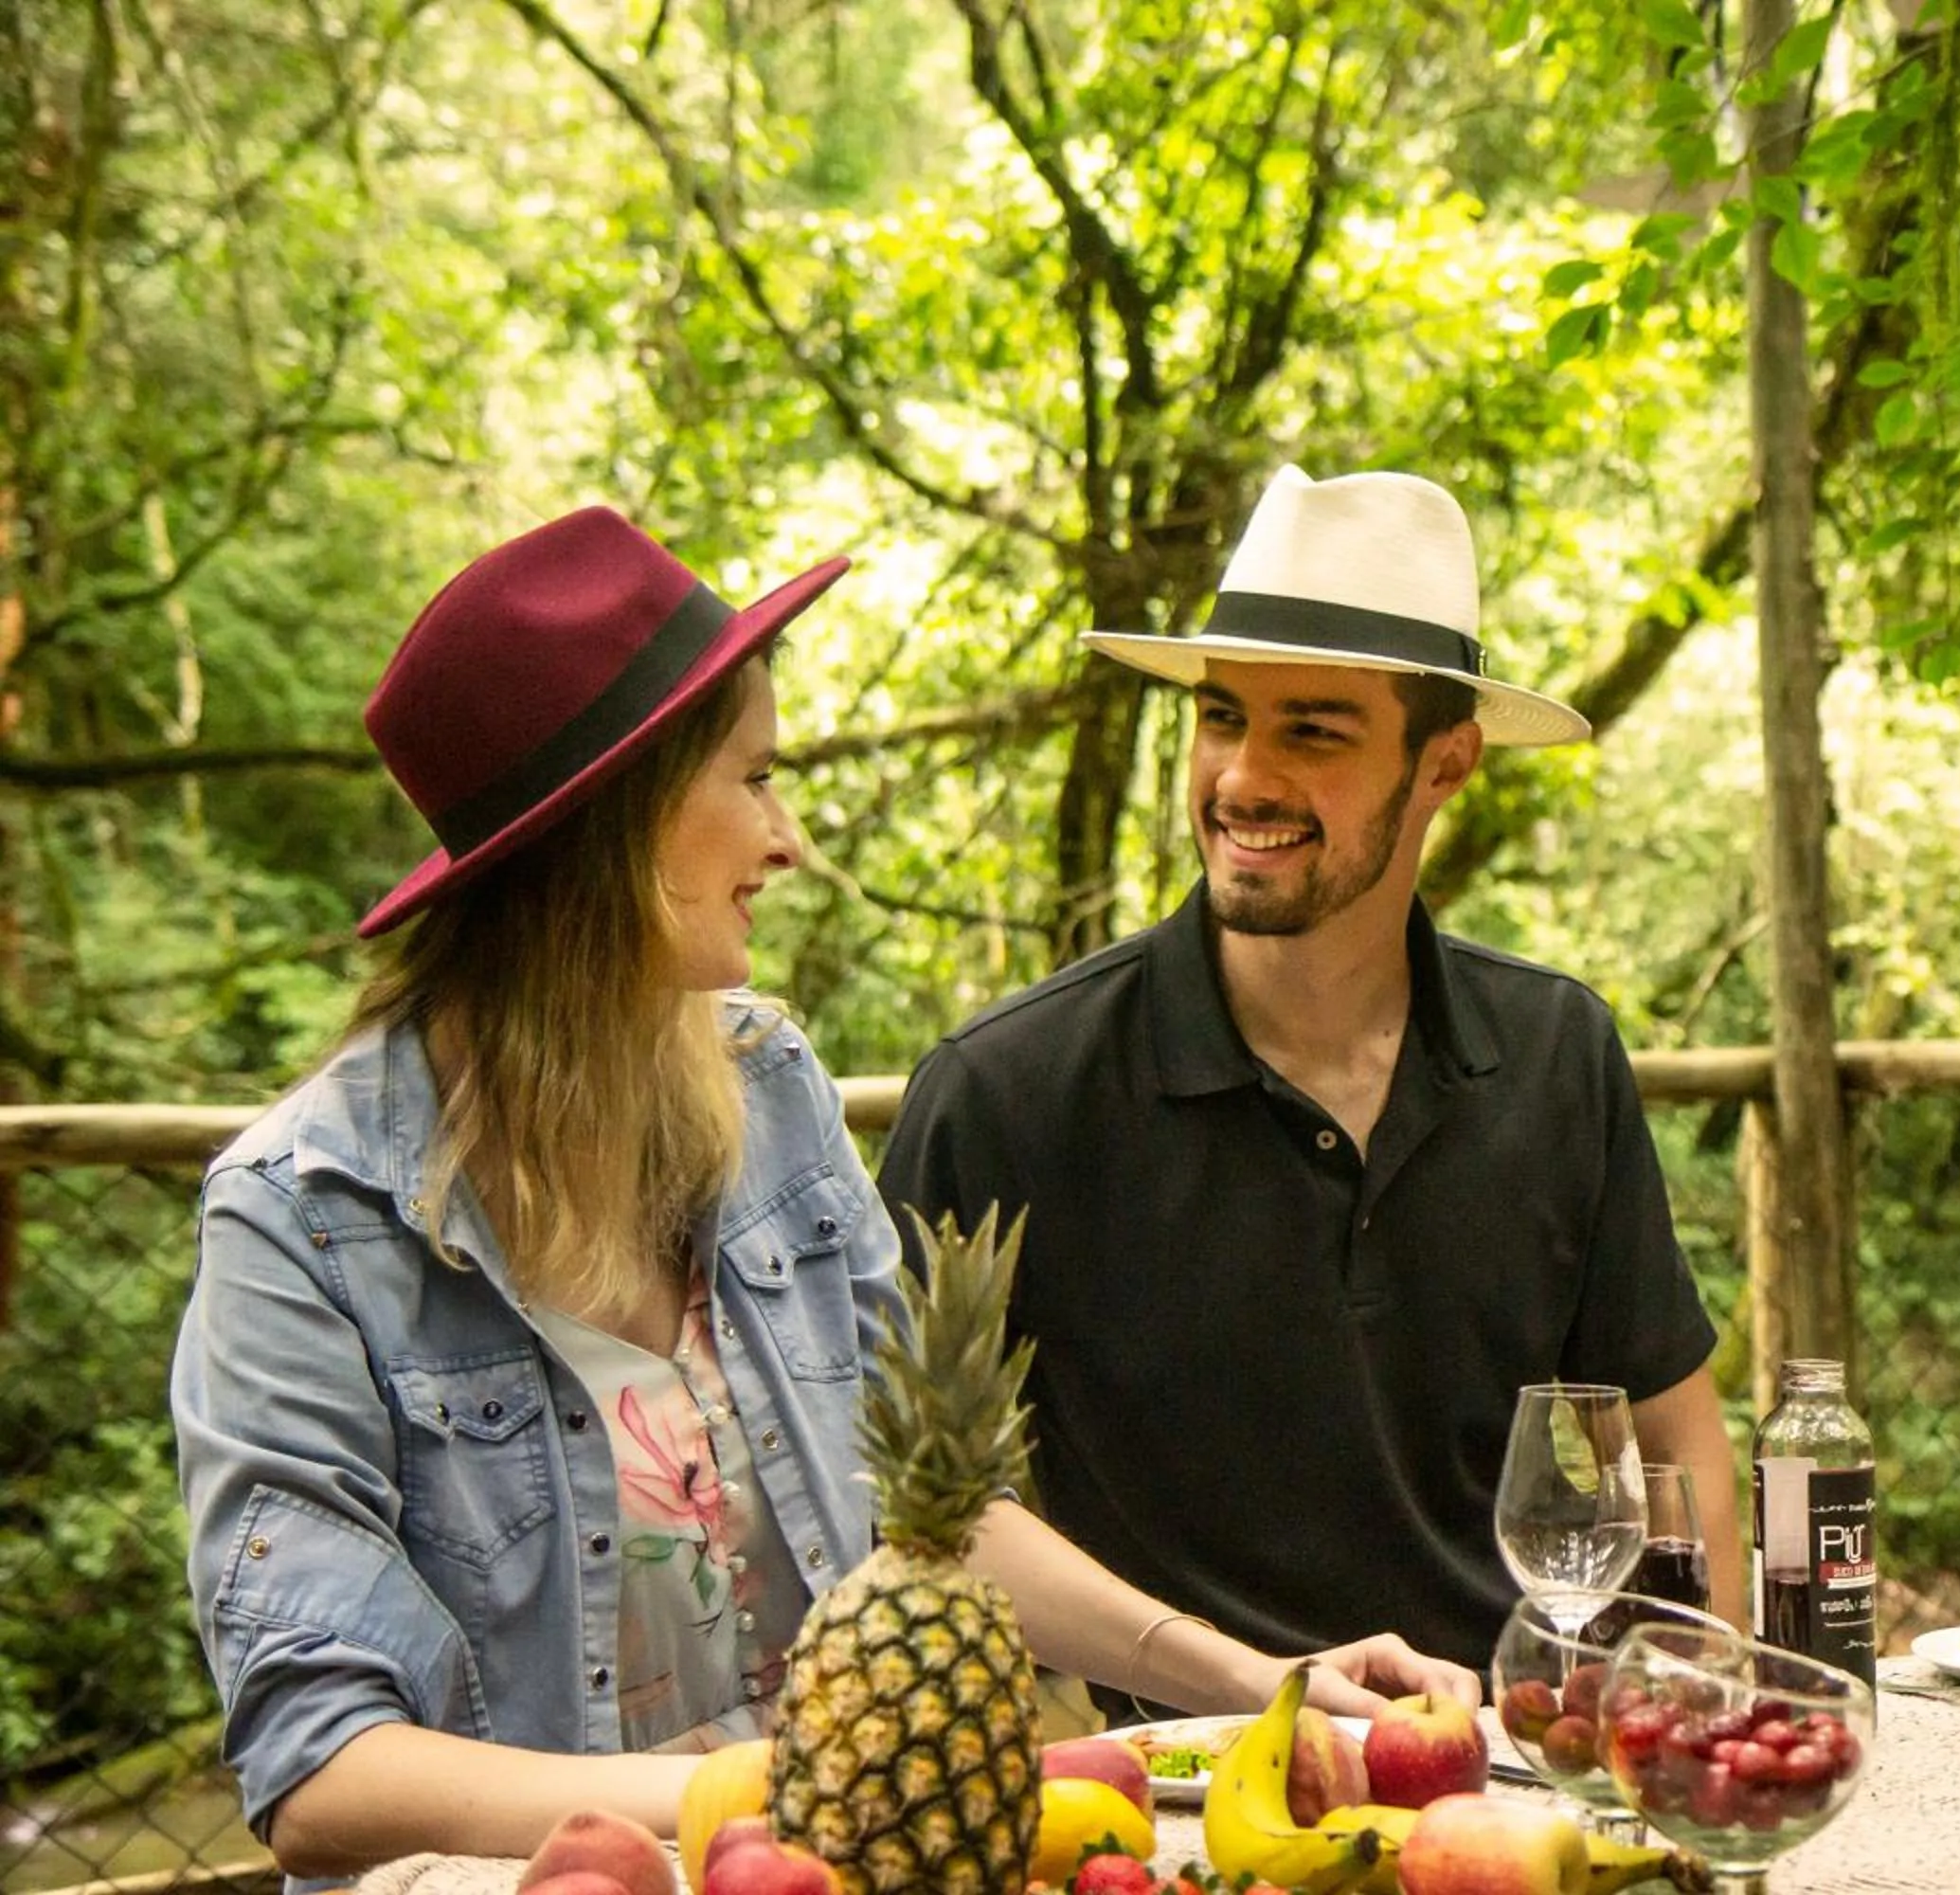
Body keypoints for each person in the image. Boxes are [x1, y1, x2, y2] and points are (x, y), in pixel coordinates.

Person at [171, 507, 1474, 1883]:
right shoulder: (302, 1218)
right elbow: (322, 1770)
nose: (787, 838)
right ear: (612, 827)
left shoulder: (764, 1079)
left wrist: (1242, 1676)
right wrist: (753, 1802)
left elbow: (929, 1508)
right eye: (755, 778)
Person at [878, 466, 1745, 1707]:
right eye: (1223, 716)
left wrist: (1690, 1704)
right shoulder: (1006, 1093)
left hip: (1500, 1762)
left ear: (1446, 767)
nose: (1241, 777)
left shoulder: (1559, 1055)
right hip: (1168, 1790)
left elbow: (1676, 1445)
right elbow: (924, 1515)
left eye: (1313, 731)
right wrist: (1243, 1684)